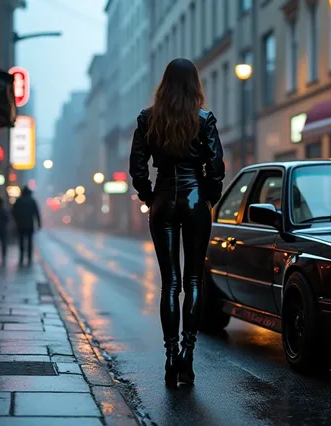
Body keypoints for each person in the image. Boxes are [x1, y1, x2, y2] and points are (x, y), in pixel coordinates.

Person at [129, 58, 224, 388]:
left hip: (164, 198)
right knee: (194, 279)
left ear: (164, 84)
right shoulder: (204, 119)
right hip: (195, 198)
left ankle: (170, 356)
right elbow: (216, 167)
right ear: (194, 84)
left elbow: (138, 167)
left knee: (170, 283)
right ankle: (187, 356)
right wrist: (208, 197)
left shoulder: (148, 118)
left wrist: (149, 196)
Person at [12, 186, 41, 266]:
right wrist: (39, 224)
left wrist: (16, 220)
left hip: (20, 225)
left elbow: (13, 212)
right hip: (29, 225)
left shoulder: (18, 201)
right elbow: (36, 213)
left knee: (21, 242)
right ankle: (29, 258)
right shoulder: (32, 201)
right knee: (29, 242)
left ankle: (21, 258)